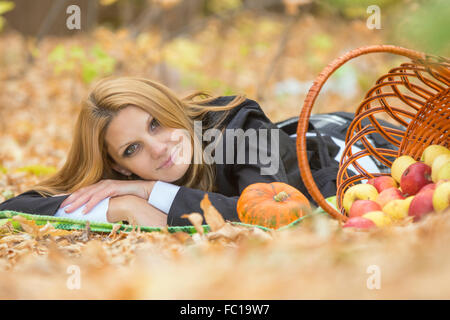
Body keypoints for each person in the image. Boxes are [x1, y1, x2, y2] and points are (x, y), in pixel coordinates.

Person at [0, 77, 392, 227]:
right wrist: (122, 207)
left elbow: (265, 214)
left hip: (360, 142)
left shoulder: (239, 125)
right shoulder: (125, 182)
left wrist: (151, 195)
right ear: (119, 168)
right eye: (133, 148)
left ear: (171, 111)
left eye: (156, 123)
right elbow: (16, 207)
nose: (160, 148)